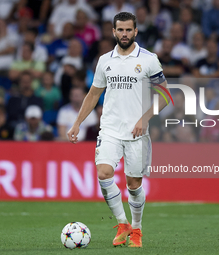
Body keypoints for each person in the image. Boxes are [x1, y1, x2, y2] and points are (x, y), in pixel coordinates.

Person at [67, 12, 169, 248]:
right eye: (120, 30)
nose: (124, 34)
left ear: (135, 32)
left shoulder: (149, 59)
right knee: (103, 173)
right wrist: (77, 122)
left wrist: (145, 118)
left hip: (137, 133)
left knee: (133, 185)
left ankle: (137, 229)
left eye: (128, 30)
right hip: (110, 129)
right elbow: (94, 93)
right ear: (113, 32)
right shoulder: (105, 60)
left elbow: (165, 95)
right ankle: (122, 224)